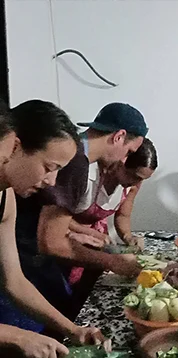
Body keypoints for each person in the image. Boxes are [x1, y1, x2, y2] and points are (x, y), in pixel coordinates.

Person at [15, 102, 148, 323]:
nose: (126, 159)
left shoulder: (75, 153)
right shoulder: (76, 162)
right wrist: (112, 262)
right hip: (25, 262)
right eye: (129, 151)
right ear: (118, 136)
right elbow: (51, 242)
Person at [0, 99, 110, 357]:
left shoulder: (7, 200)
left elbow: (14, 281)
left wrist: (74, 330)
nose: (51, 182)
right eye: (49, 168)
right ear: (15, 147)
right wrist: (16, 336)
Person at [64, 138, 157, 316]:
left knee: (92, 293)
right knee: (70, 297)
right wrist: (86, 231)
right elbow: (61, 219)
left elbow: (123, 215)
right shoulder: (88, 174)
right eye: (135, 176)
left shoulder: (132, 185)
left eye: (142, 180)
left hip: (99, 242)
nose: (136, 183)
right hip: (70, 240)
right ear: (122, 162)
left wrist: (128, 237)